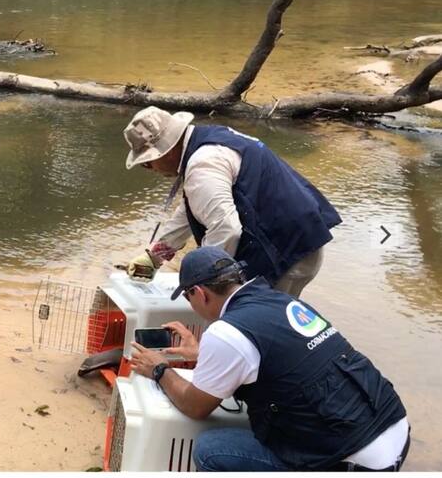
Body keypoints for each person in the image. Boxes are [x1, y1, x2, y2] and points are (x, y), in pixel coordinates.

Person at [130, 246, 409, 472]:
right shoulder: (284, 302)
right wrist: (202, 353)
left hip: (353, 462)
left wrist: (159, 369)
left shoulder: (226, 331)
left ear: (199, 294)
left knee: (212, 450)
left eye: (187, 297)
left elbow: (194, 406)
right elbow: (285, 363)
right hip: (393, 430)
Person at [124, 106, 342, 297]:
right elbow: (196, 204)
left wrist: (202, 280)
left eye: (147, 162)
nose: (150, 169)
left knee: (254, 321)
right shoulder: (211, 139)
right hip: (298, 238)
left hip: (285, 252)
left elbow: (226, 230)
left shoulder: (203, 164)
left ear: (168, 150)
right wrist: (156, 255)